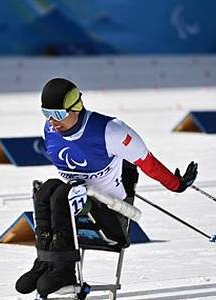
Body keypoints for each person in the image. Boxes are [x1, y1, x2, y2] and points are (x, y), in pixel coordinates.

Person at [15, 78, 198, 297]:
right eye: (46, 113)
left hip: (111, 216)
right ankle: (45, 262)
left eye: (59, 114)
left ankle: (64, 272)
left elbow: (147, 162)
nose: (53, 122)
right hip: (76, 208)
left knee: (61, 193)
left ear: (76, 107)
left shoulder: (111, 131)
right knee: (48, 189)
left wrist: (176, 184)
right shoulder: (51, 130)